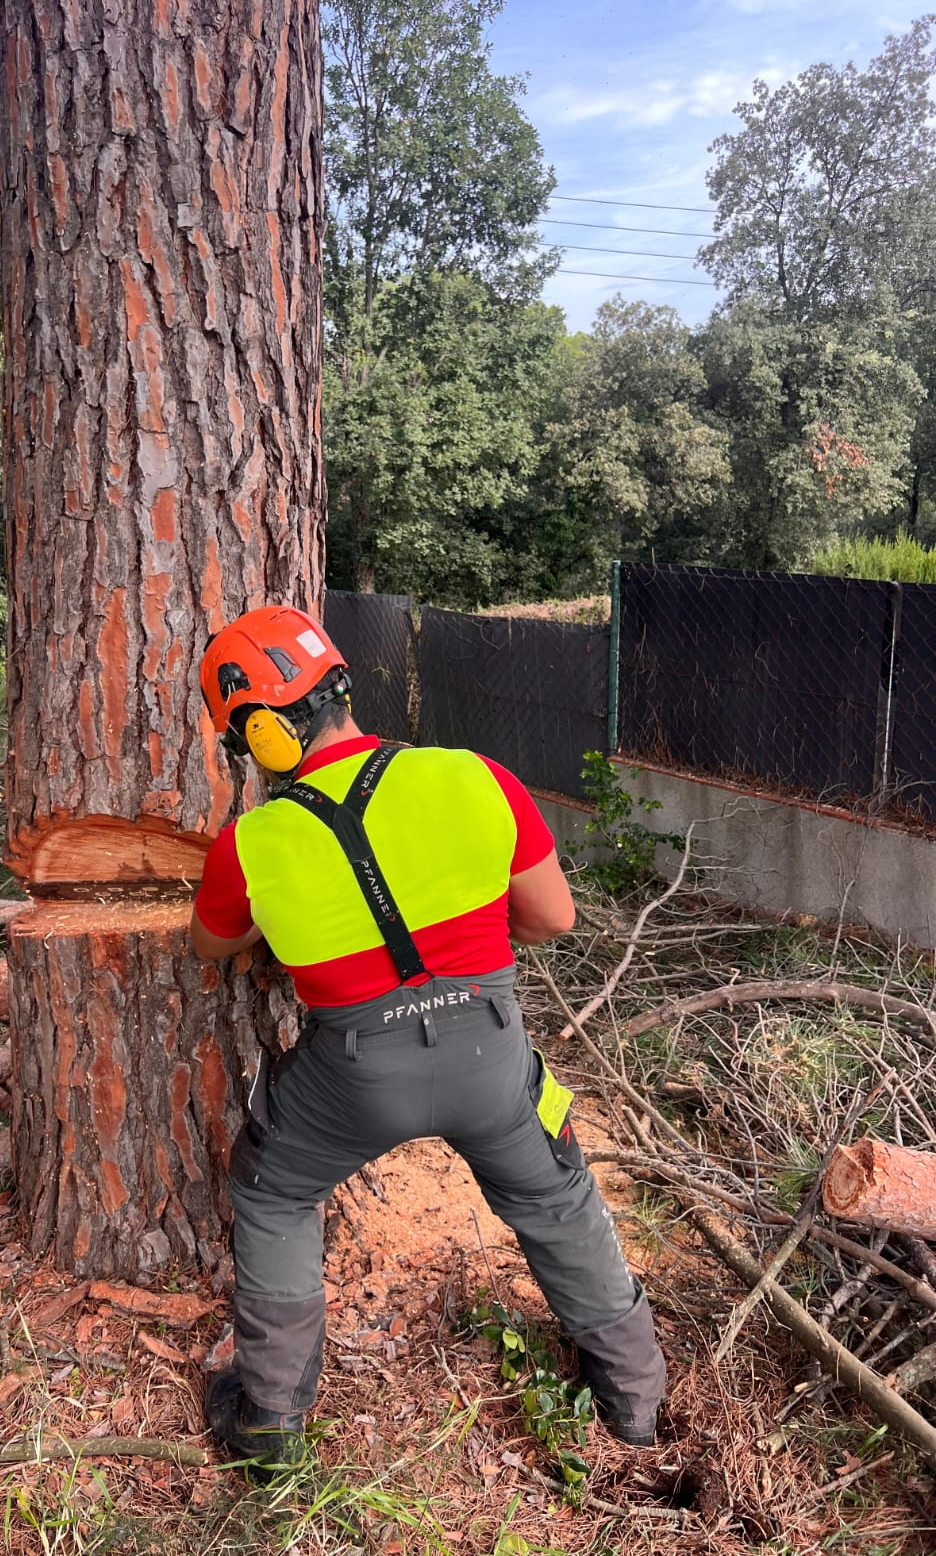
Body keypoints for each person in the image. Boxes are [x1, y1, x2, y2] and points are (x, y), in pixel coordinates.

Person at [192, 605, 665, 1474]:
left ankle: (269, 1418)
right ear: (339, 684)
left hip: (354, 1077)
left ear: (260, 731)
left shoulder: (250, 842)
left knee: (271, 1188)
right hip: (491, 1051)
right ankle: (635, 1404)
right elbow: (552, 918)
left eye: (238, 740)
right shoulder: (473, 775)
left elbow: (212, 944)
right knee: (556, 1197)